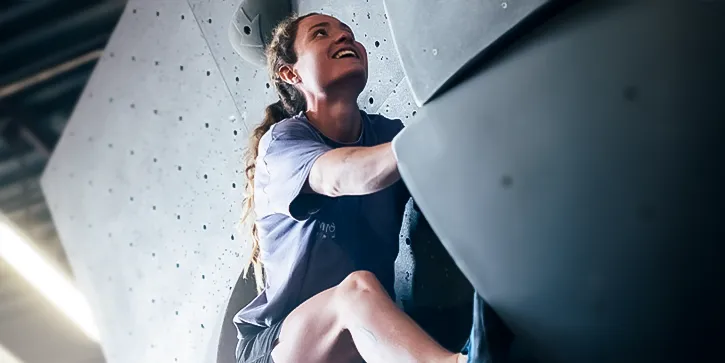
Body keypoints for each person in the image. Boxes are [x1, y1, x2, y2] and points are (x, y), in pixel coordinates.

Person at [233, 12, 472, 363]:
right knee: (354, 294)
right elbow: (341, 175)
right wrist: (434, 132)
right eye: (320, 33)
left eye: (348, 33)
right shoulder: (282, 143)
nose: (344, 38)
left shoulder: (387, 133)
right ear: (290, 73)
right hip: (279, 345)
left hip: (371, 337)